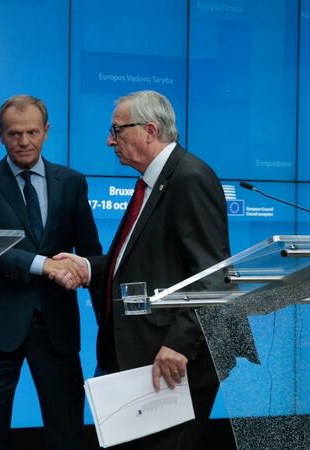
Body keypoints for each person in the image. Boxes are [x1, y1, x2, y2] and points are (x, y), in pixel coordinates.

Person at [55, 90, 228, 449]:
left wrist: (179, 344)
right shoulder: (154, 181)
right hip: (141, 358)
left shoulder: (189, 177)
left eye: (117, 131)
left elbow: (211, 272)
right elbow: (141, 262)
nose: (109, 141)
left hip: (176, 363)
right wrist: (87, 267)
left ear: (149, 130)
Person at [0, 94, 102, 450]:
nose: (23, 141)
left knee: (67, 430)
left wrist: (84, 278)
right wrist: (45, 266)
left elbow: (91, 253)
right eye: (14, 134)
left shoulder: (72, 181)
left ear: (46, 132)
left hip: (57, 325)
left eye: (31, 132)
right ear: (0, 135)